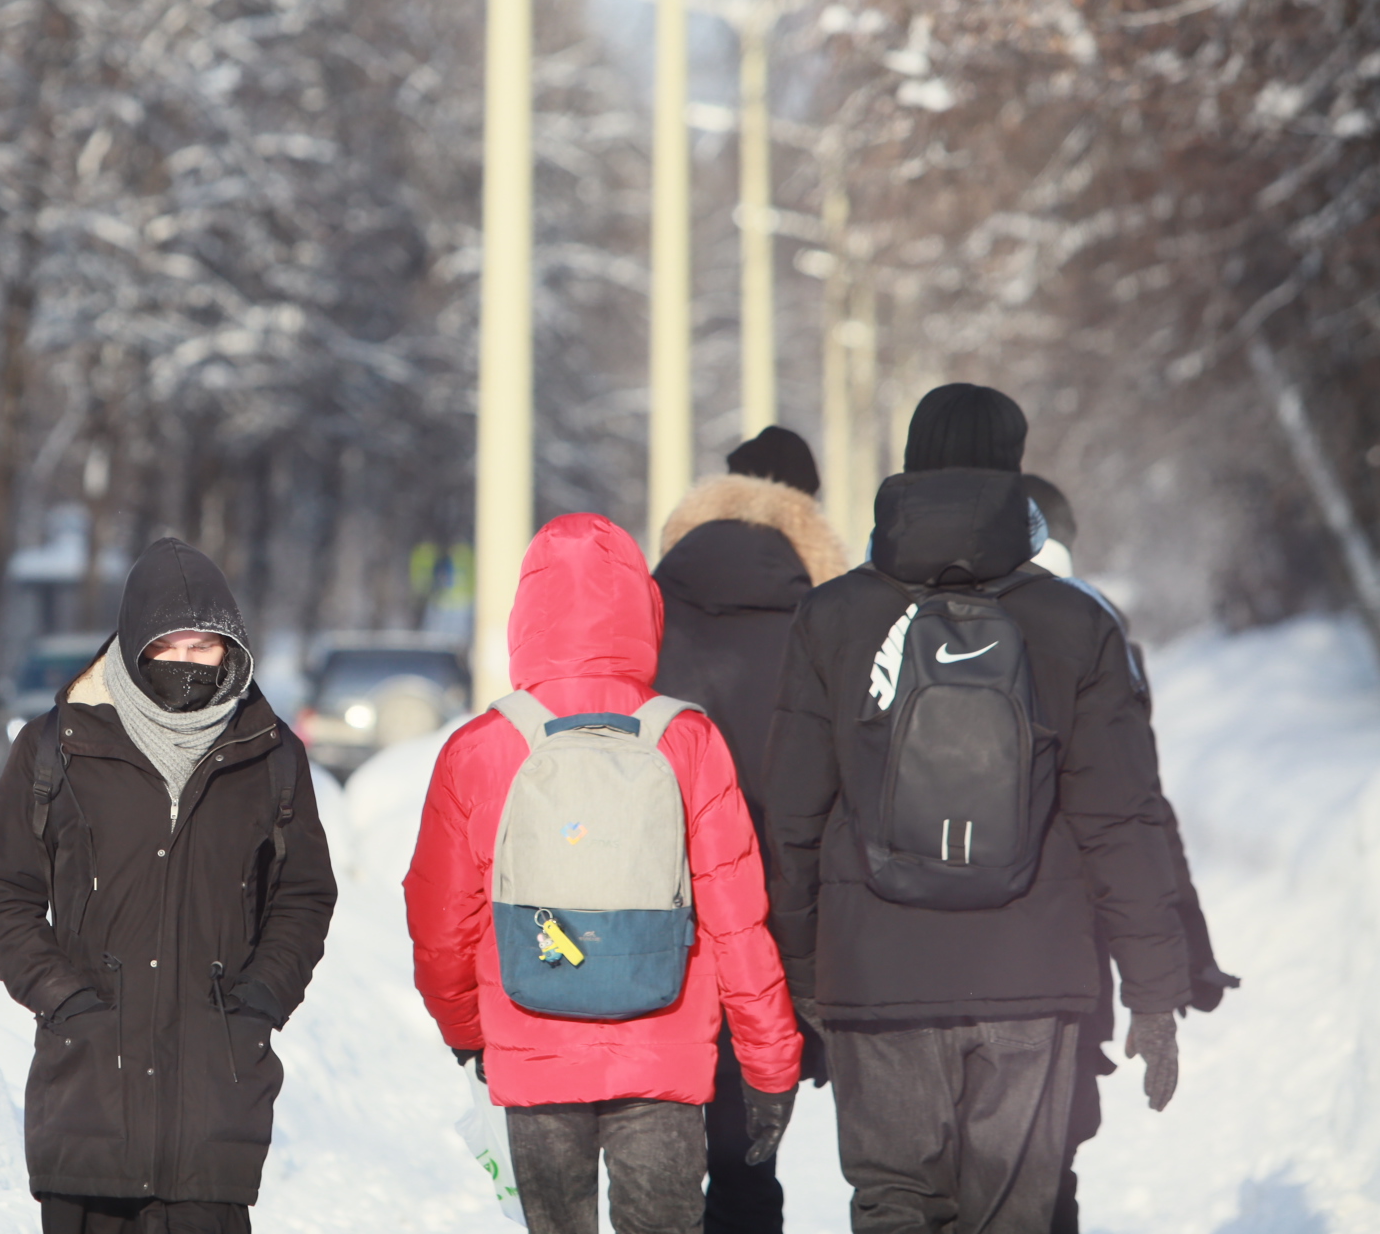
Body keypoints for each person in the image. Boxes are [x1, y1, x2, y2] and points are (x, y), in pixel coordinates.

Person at [763, 385, 1193, 1233]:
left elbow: (792, 816)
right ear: (1015, 468)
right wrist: (1152, 989)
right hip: (1030, 975)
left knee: (892, 1206)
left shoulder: (833, 616)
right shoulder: (1077, 622)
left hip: (878, 970)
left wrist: (807, 970)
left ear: (911, 463)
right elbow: (1120, 820)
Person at [405, 512, 802, 1234]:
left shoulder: (482, 747)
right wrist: (769, 1065)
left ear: (525, 613)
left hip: (533, 1047)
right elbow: (737, 919)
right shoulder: (688, 738)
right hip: (666, 1056)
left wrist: (471, 1035)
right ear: (643, 611)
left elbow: (439, 928)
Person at [0, 537, 336, 1234]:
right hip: (88, 1100)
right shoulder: (57, 746)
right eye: (170, 646)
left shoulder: (270, 754)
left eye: (206, 647)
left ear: (233, 651)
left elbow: (304, 895)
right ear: (135, 646)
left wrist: (258, 1001)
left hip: (214, 1107)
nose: (188, 664)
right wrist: (64, 998)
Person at [1020, 474, 1237, 1234]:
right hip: (1061, 955)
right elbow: (1133, 808)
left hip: (908, 955)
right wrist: (1172, 964)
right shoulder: (1096, 627)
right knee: (1046, 1174)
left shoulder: (895, 615)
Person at [654, 427, 846, 1234]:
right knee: (745, 1167)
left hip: (643, 919)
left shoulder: (647, 604)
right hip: (772, 929)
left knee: (655, 1167)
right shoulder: (831, 622)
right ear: (808, 507)